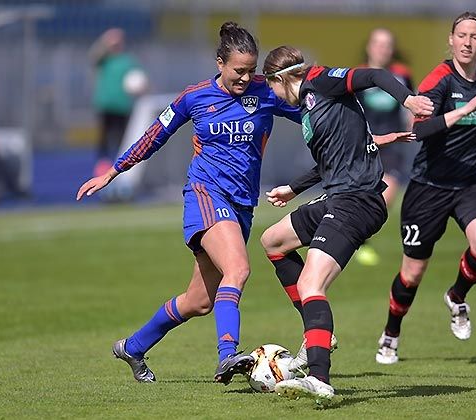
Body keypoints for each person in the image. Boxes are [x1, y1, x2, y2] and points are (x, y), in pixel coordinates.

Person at [77, 22, 300, 384]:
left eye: (251, 69)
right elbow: (155, 134)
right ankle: (227, 356)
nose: (245, 77)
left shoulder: (266, 92)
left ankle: (132, 347)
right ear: (220, 63)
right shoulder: (194, 97)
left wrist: (362, 136)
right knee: (238, 270)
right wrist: (114, 171)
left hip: (242, 204)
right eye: (238, 70)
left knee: (199, 301)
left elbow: (313, 115)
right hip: (206, 194)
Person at [258, 45, 433, 402]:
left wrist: (408, 100)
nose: (273, 95)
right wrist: (294, 189)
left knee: (310, 281)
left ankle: (320, 377)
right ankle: (316, 333)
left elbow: (373, 75)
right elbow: (332, 160)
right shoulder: (308, 106)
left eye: (271, 86)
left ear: (280, 79)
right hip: (336, 196)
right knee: (273, 240)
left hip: (358, 201)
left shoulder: (320, 80)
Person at [374, 11, 476, 365]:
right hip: (428, 186)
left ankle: (457, 297)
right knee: (412, 273)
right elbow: (420, 130)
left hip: (471, 182)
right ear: (451, 40)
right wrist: (464, 111)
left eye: (475, 36)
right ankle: (391, 334)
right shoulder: (439, 81)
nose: (467, 42)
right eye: (461, 35)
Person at [354, 28, 415, 266]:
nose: (382, 49)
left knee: (387, 194)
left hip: (392, 144)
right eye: (378, 44)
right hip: (362, 143)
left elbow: (410, 102)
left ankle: (360, 236)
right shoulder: (357, 74)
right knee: (356, 195)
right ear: (369, 47)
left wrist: (415, 119)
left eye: (387, 44)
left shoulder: (402, 74)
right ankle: (354, 238)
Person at [89, 28, 147, 177]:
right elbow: (93, 56)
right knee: (104, 138)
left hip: (122, 105)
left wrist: (142, 87)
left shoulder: (128, 61)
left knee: (123, 138)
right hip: (106, 104)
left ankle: (122, 166)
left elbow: (140, 80)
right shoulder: (104, 59)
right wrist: (104, 40)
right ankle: (102, 166)